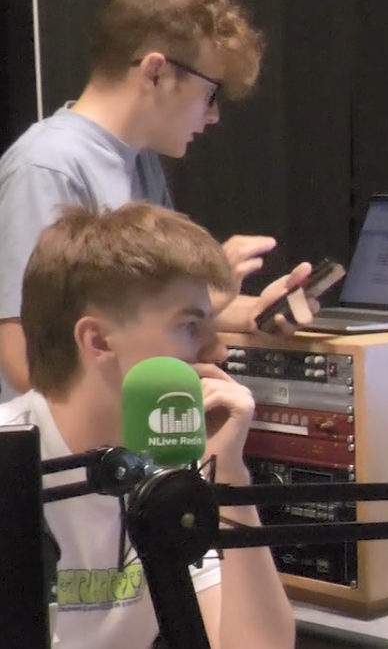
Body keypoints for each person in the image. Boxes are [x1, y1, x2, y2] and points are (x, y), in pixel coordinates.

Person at [0, 0, 308, 404]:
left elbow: (142, 316)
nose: (213, 115)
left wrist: (253, 311)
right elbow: (25, 362)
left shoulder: (139, 161)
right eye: (211, 94)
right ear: (156, 72)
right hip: (60, 459)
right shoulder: (48, 166)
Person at [0, 202, 296, 649]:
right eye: (190, 326)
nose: (216, 351)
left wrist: (230, 474)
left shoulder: (176, 459)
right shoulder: (11, 456)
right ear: (98, 341)